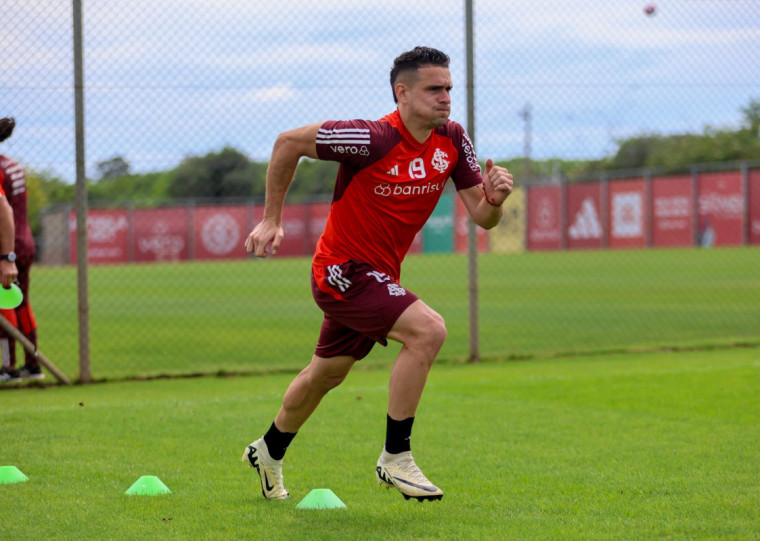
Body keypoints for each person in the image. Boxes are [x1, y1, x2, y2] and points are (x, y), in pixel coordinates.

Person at [242, 46, 513, 501]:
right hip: (341, 270)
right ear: (401, 92)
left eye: (449, 87)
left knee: (326, 375)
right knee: (428, 331)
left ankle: (268, 450)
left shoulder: (453, 139)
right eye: (434, 89)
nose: (445, 97)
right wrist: (271, 218)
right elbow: (288, 142)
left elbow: (482, 218)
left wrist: (497, 200)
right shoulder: (370, 138)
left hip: (378, 276)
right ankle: (396, 457)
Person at [0, 117, 43, 383]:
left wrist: (6, 256)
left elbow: (5, 210)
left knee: (5, 305)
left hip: (6, 247)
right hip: (25, 242)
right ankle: (33, 364)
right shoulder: (13, 166)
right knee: (21, 303)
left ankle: (8, 367)